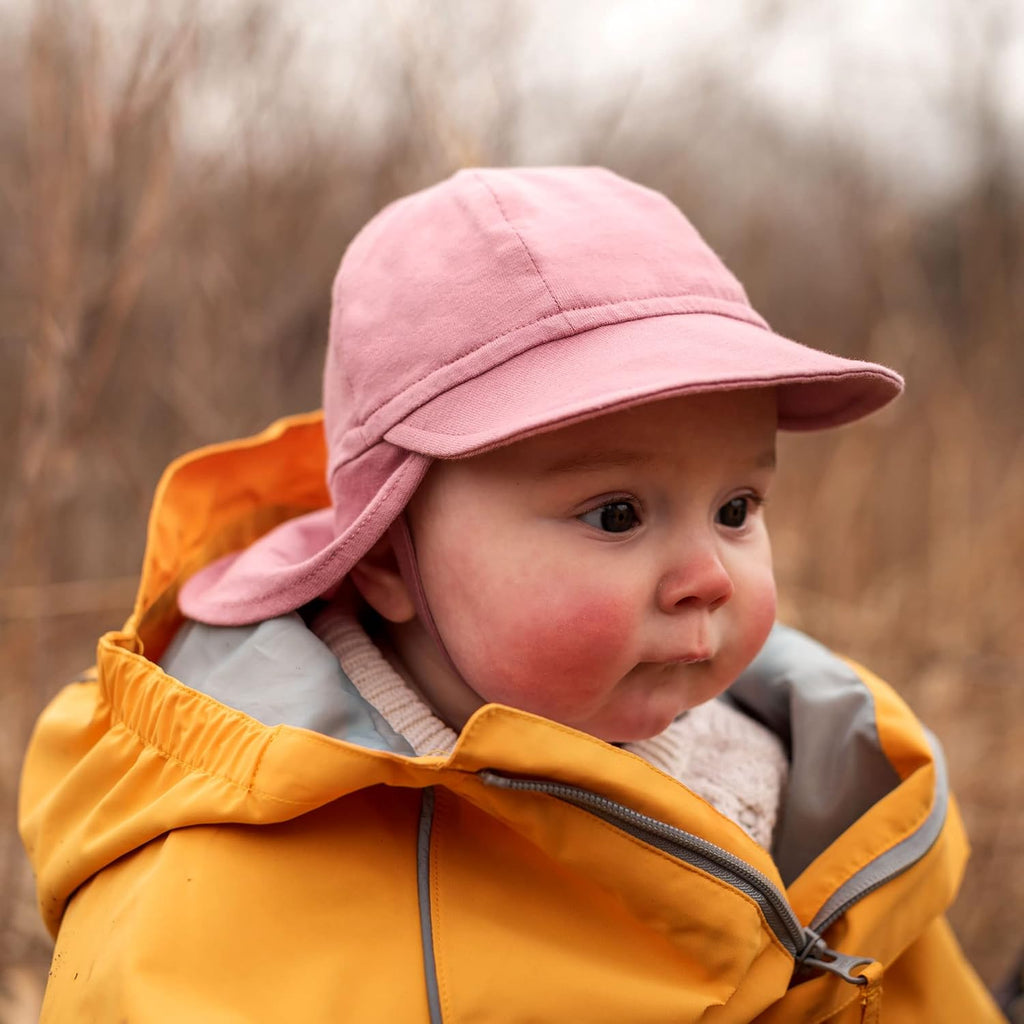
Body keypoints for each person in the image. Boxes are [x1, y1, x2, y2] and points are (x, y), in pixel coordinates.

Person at [19, 168, 1003, 1022]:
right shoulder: (223, 897)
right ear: (386, 560)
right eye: (617, 514)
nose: (709, 572)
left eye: (737, 506)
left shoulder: (820, 785)